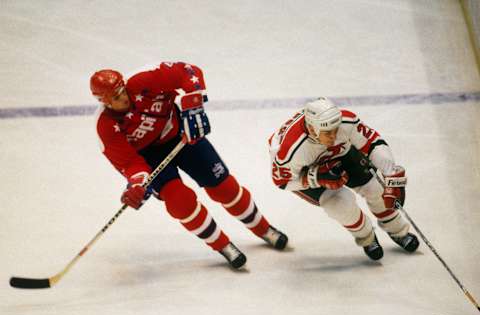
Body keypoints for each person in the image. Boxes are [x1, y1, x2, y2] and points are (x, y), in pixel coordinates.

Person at [89, 62, 288, 269]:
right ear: (104, 102)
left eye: (121, 91)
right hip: (150, 158)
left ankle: (263, 229)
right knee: (179, 202)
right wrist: (138, 184)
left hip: (181, 136)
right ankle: (222, 244)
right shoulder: (105, 126)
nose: (122, 98)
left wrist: (193, 105)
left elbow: (187, 71)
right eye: (114, 98)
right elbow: (130, 162)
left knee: (224, 187)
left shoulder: (143, 82)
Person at [268, 97, 419, 260]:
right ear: (312, 129)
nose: (334, 136)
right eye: (328, 133)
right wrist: (314, 178)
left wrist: (390, 173)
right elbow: (282, 183)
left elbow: (373, 142)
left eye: (336, 129)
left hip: (341, 154)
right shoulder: (289, 152)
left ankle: (398, 231)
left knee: (375, 188)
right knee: (338, 204)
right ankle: (367, 237)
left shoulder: (345, 120)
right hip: (306, 172)